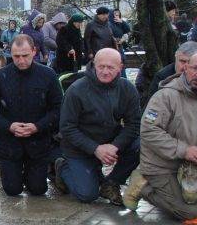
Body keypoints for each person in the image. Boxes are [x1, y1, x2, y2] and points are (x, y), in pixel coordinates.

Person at [125, 52, 197, 222]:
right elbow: (149, 131)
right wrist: (185, 150)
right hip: (161, 166)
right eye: (195, 68)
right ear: (185, 68)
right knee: (190, 213)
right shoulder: (165, 96)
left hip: (193, 165)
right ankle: (143, 185)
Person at [55, 48, 141, 206]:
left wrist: (115, 146)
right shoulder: (76, 90)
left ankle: (112, 182)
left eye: (110, 67)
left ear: (120, 68)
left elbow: (134, 125)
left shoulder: (128, 89)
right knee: (87, 195)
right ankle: (62, 168)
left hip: (110, 142)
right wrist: (95, 149)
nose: (105, 72)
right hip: (79, 147)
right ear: (94, 65)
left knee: (140, 145)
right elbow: (67, 128)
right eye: (101, 67)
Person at [0, 36, 63, 197]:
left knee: (38, 189)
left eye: (25, 56)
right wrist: (8, 126)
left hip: (38, 140)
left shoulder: (47, 75)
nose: (20, 60)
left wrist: (38, 127)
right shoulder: (0, 76)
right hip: (9, 142)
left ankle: (45, 173)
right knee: (12, 190)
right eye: (16, 56)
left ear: (34, 52)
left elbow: (58, 109)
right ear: (10, 54)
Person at [143, 42, 197, 107]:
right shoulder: (162, 77)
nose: (185, 67)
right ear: (175, 57)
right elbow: (151, 106)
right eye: (182, 61)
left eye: (189, 63)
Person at [53, 12, 88, 76]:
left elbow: (79, 41)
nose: (80, 24)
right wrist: (69, 48)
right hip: (65, 58)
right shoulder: (64, 29)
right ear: (73, 22)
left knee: (74, 75)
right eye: (79, 23)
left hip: (76, 58)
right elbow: (61, 41)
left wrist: (82, 50)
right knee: (65, 75)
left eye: (81, 23)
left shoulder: (77, 30)